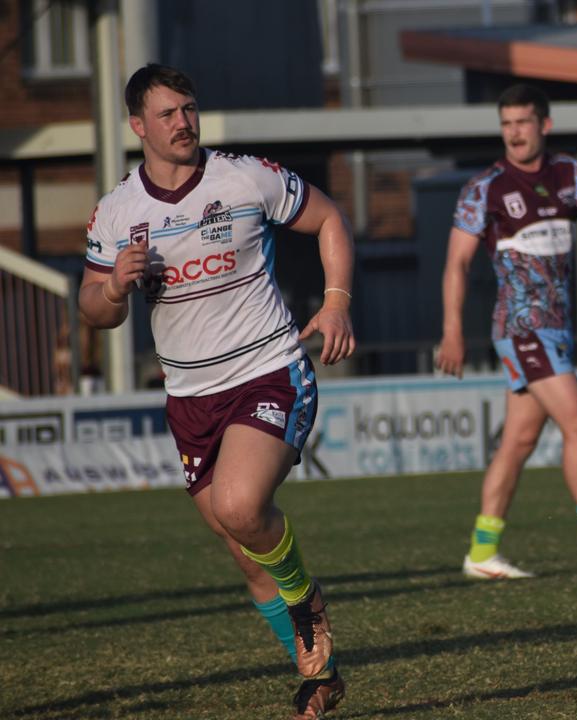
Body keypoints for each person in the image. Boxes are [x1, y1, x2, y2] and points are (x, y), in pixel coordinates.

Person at [79, 64, 354, 720]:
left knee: (239, 504)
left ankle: (309, 606)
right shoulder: (119, 211)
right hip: (190, 400)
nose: (183, 122)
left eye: (189, 109)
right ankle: (322, 677)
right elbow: (93, 307)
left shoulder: (243, 177)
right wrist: (113, 286)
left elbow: (329, 219)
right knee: (245, 551)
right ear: (137, 126)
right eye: (168, 113)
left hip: (269, 372)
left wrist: (338, 301)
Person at [438, 83, 577, 579]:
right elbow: (456, 264)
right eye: (507, 124)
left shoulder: (566, 172)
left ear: (544, 125)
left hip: (556, 330)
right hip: (522, 328)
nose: (514, 133)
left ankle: (481, 551)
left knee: (517, 442)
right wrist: (453, 331)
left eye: (523, 122)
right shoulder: (485, 188)